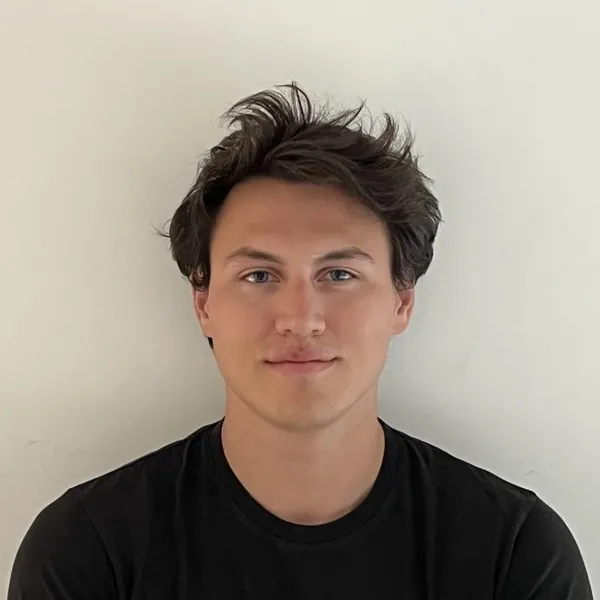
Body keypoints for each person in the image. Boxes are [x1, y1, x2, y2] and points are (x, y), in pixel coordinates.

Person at [8, 83, 593, 599]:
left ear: (401, 300)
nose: (300, 319)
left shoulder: (513, 553)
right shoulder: (89, 552)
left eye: (338, 274)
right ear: (203, 303)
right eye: (259, 276)